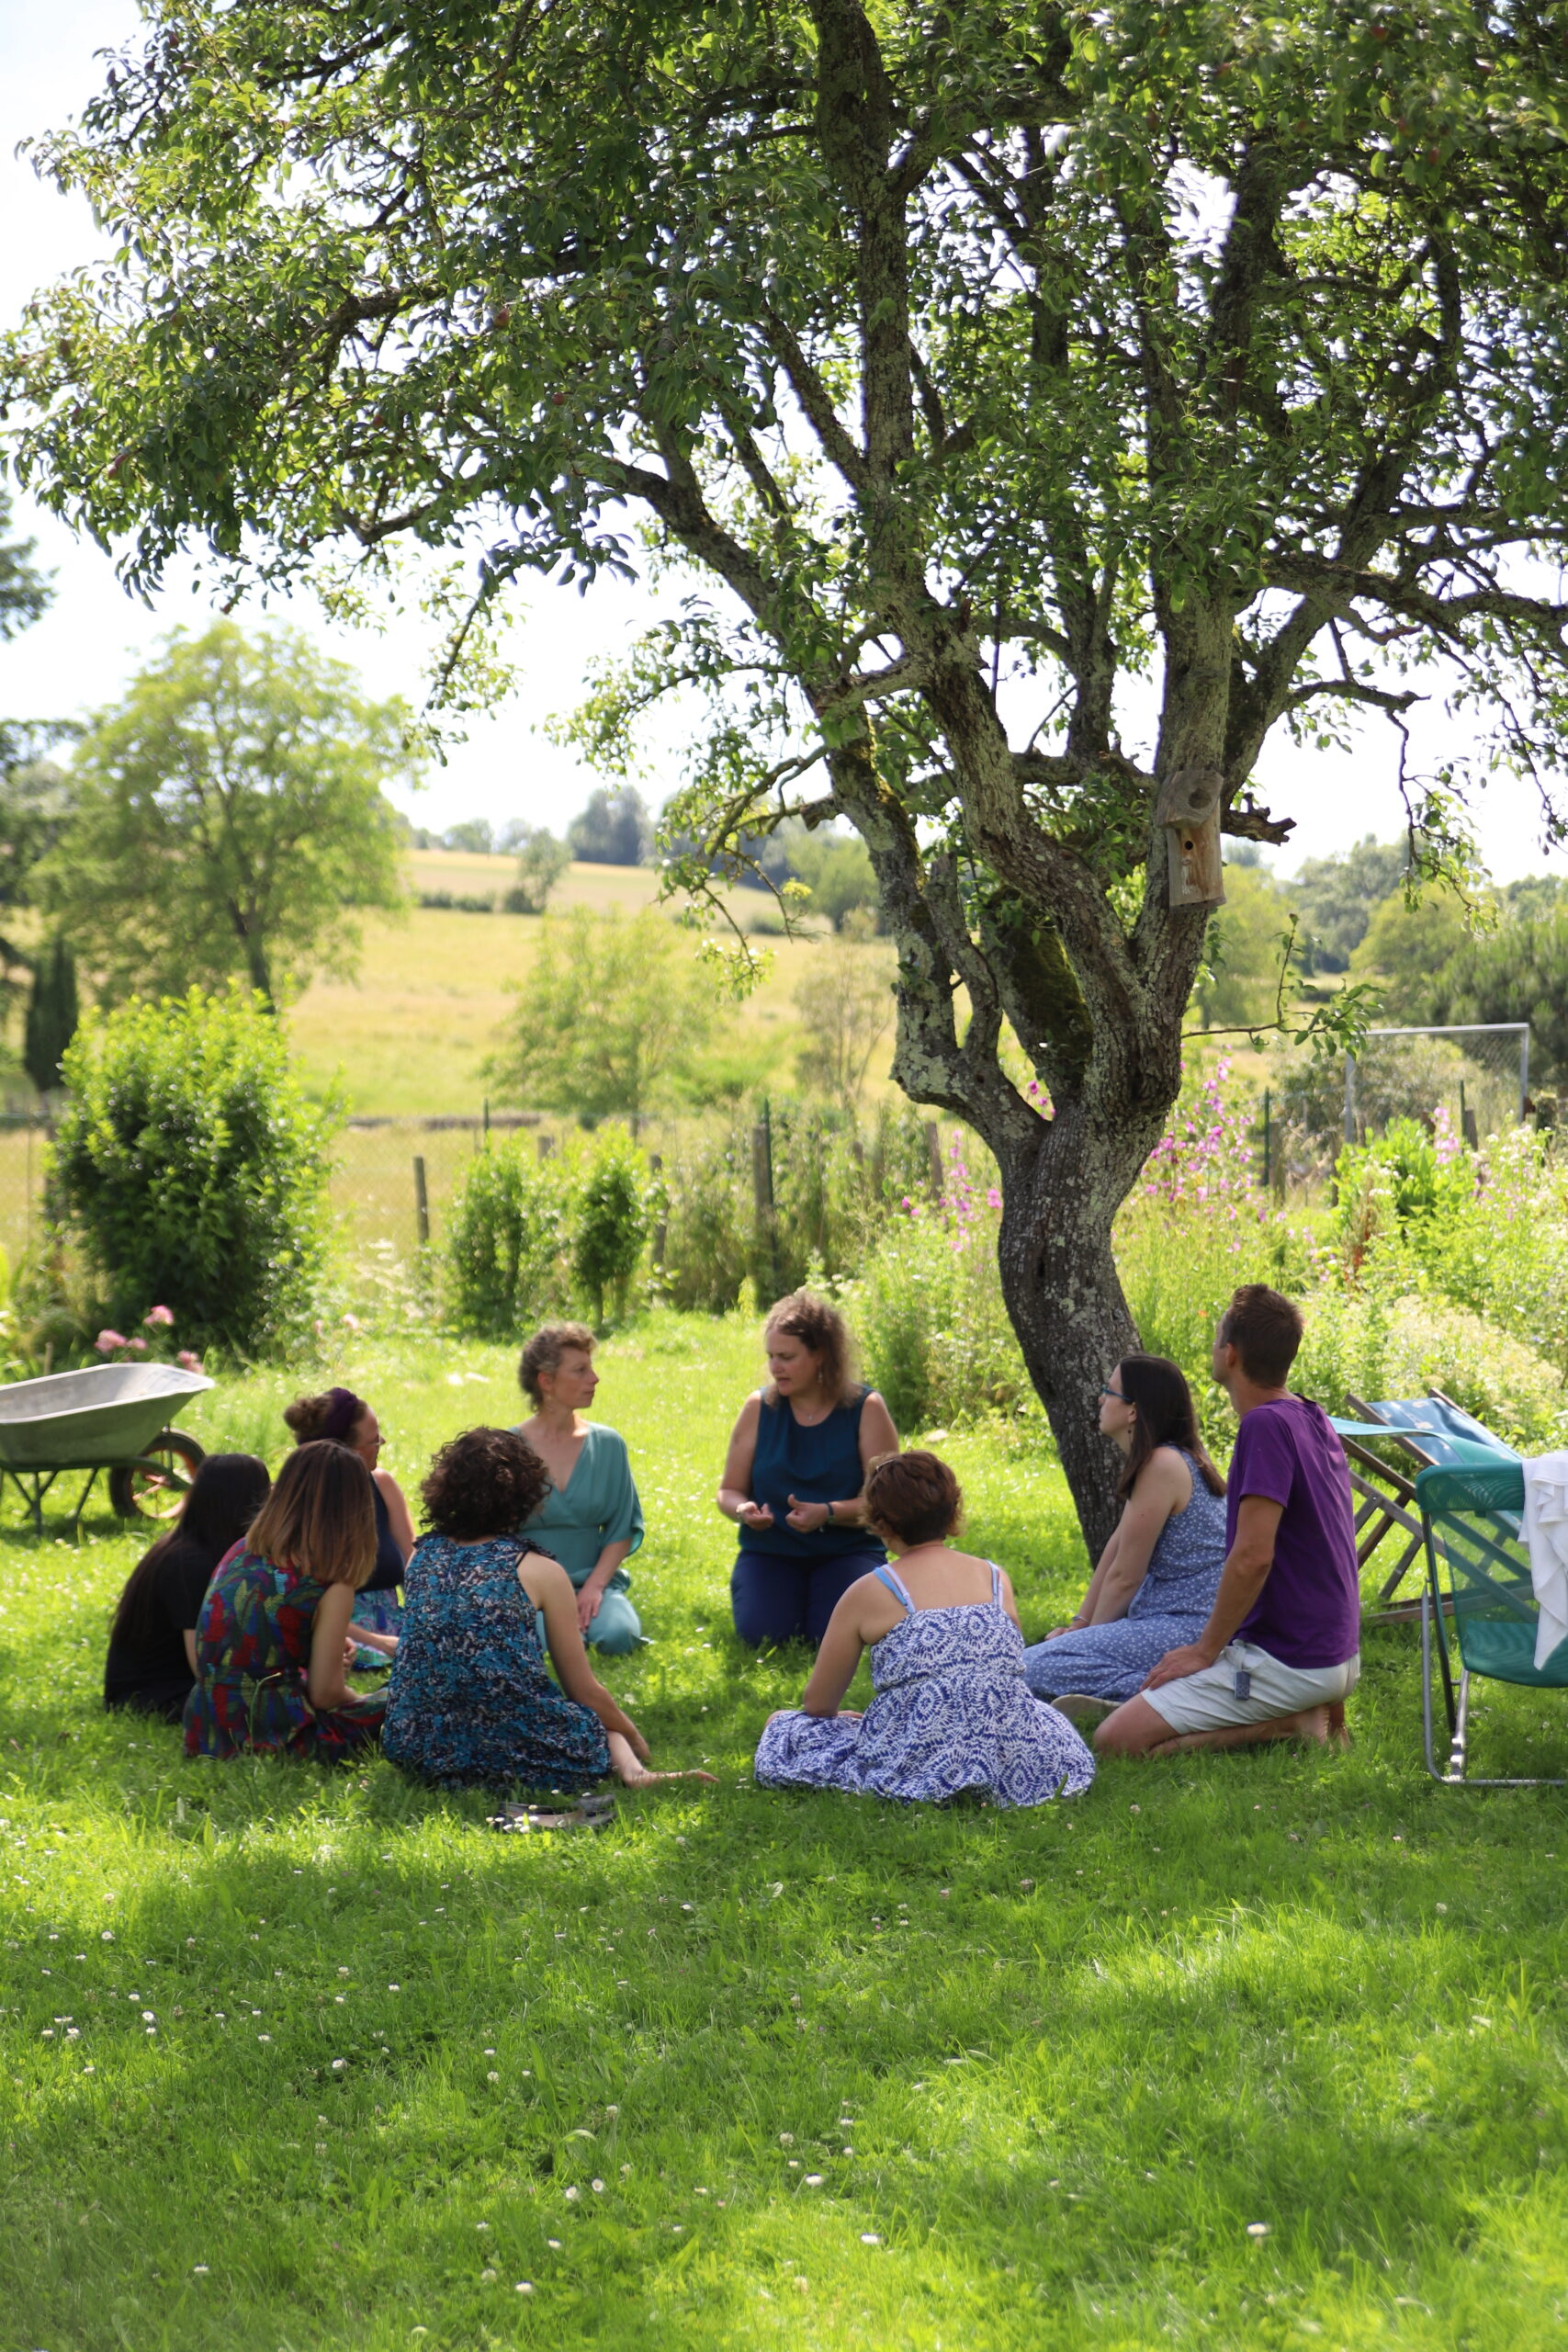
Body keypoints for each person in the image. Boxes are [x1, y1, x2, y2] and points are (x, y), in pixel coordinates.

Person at [1095, 1284, 1361, 1758]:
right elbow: (1332, 1548)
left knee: (1117, 1740)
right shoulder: (1311, 1416)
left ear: (1231, 1354)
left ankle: (1291, 1722)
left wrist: (1204, 1651)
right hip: (1336, 1657)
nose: (1214, 1346)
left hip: (1288, 1661)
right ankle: (1309, 1707)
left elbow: (1253, 1557)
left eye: (1218, 1336)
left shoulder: (1264, 1426)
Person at [383, 1426, 713, 1799]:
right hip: (503, 1747)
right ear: (525, 1495)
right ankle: (635, 1773)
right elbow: (583, 1689)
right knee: (600, 1725)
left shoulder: (422, 1557)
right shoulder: (539, 1570)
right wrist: (630, 1733)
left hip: (414, 1743)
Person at [754, 1451, 1094, 1804]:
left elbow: (819, 1703)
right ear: (952, 1510)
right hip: (1011, 1749)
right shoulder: (995, 1578)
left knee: (782, 1722)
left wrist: (844, 1718)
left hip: (919, 1753)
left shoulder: (870, 1590)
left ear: (879, 1522)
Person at [1021, 1355, 1226, 1722]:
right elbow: (1116, 1550)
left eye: (1108, 1391)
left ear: (1133, 1411)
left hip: (1189, 1627)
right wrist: (1080, 1626)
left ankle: (1168, 1695)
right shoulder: (1171, 1459)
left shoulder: (1162, 1464)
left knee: (1025, 1669)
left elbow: (1126, 1577)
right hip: (1179, 1622)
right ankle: (1136, 1695)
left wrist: (1083, 1645)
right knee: (1043, 1658)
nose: (1101, 1399)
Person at [183, 1440, 389, 1762]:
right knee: (402, 1700)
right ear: (355, 1507)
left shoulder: (240, 1551)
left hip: (206, 1729)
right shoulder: (329, 1577)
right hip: (280, 1735)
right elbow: (325, 1695)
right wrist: (362, 1699)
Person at [717, 1290, 899, 1645]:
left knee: (832, 1636)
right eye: (771, 1356)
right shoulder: (759, 1407)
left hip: (848, 1551)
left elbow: (888, 1502)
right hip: (770, 1550)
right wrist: (743, 1510)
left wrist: (828, 1513)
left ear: (821, 1356)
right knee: (764, 1635)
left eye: (786, 1357)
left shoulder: (866, 1408)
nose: (775, 1367)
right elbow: (728, 1490)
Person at [103, 1453, 273, 1722]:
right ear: (247, 1502)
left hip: (174, 1683)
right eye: (266, 1494)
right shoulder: (190, 1564)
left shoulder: (198, 1549)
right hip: (151, 1694)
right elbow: (203, 1664)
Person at [513, 1323, 646, 1654]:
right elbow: (494, 1540)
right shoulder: (507, 1449)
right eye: (581, 1370)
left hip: (592, 1582)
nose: (595, 1378)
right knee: (545, 1644)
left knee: (620, 1636)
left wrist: (594, 1588)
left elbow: (622, 1528)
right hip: (530, 1588)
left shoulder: (609, 1445)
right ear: (546, 1381)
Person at [285, 1386, 413, 1661]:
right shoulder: (297, 1506)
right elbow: (307, 1607)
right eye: (375, 1440)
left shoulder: (382, 1484)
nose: (384, 1442)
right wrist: (379, 1642)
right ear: (349, 1453)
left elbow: (413, 1565)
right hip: (339, 1635)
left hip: (394, 1624)